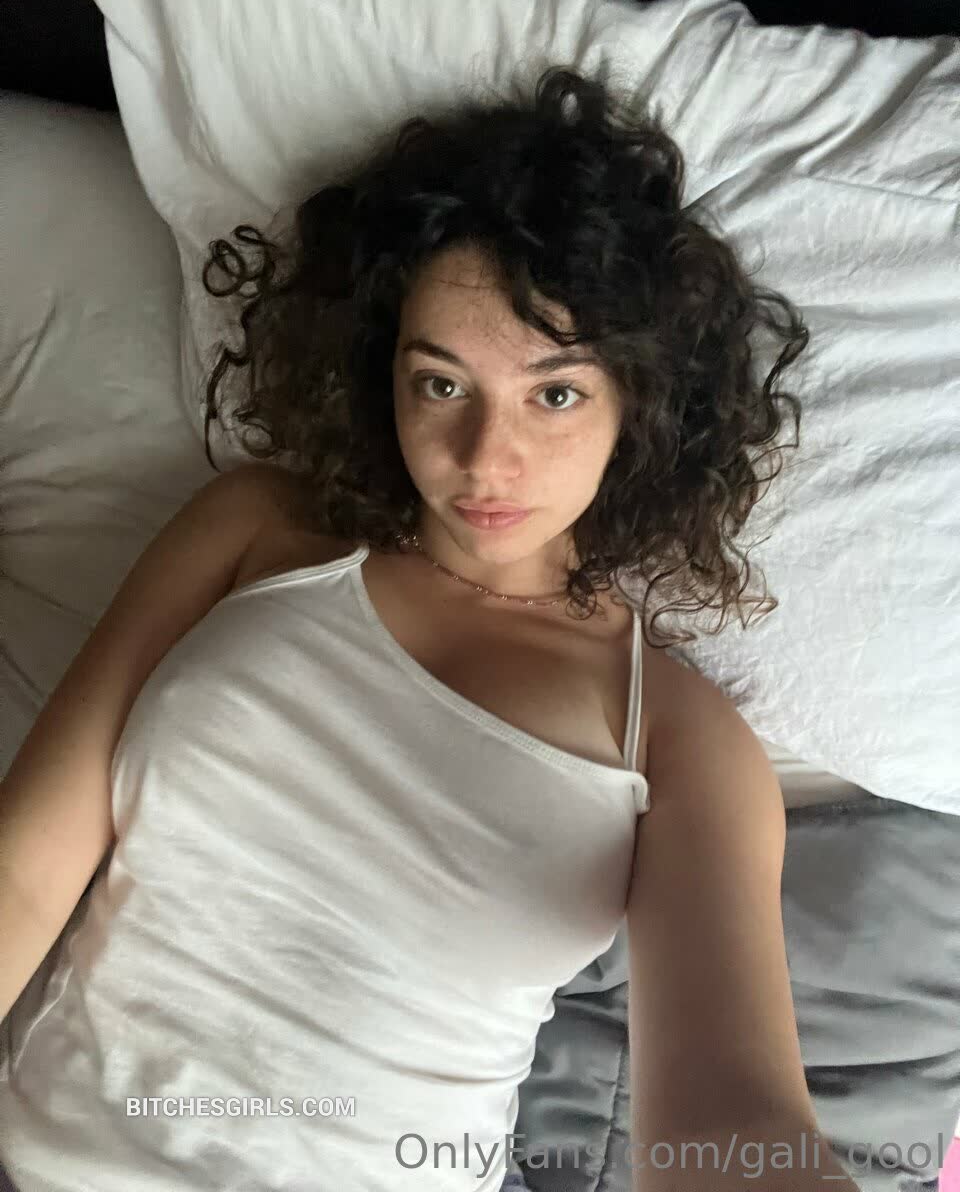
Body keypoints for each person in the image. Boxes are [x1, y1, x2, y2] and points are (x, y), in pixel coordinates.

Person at [0, 65, 860, 1191]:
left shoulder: (681, 741)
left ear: (637, 405)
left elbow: (728, 1110)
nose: (485, 460)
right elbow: (22, 873)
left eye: (554, 394)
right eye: (442, 385)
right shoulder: (259, 530)